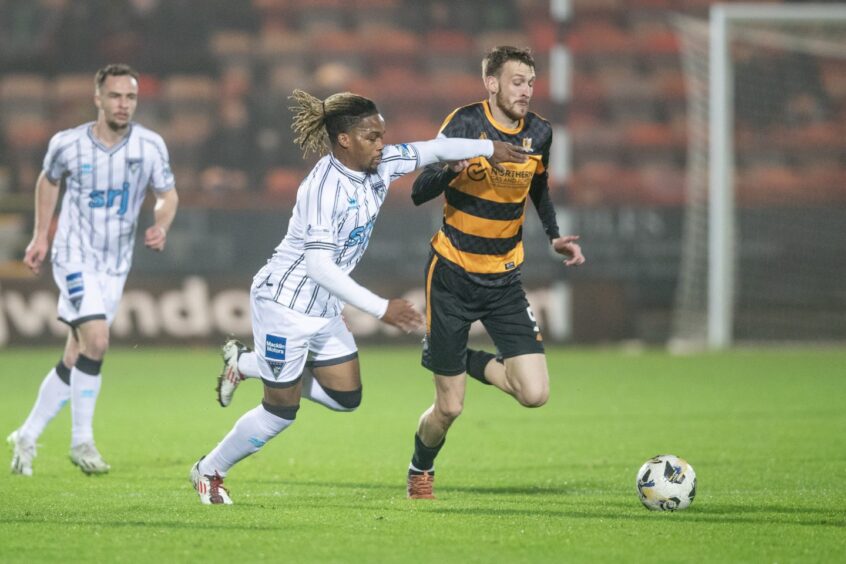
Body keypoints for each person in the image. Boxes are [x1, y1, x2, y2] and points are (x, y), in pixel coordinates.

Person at [190, 89, 527, 505]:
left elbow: (433, 149)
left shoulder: (381, 163)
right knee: (281, 410)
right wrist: (380, 308)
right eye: (371, 136)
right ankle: (209, 471)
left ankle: (244, 364)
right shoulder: (322, 188)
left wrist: (489, 147)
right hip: (285, 306)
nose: (381, 143)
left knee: (345, 397)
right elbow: (319, 267)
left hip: (323, 306)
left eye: (382, 134)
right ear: (344, 139)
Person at [404, 46, 586, 499]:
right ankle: (420, 467)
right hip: (450, 275)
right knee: (449, 408)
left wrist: (553, 235)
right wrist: (451, 168)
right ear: (492, 83)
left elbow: (539, 186)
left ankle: (460, 358)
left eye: (530, 82)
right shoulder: (464, 124)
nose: (525, 90)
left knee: (535, 393)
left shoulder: (540, 132)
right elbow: (417, 191)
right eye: (516, 81)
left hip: (504, 280)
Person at [7, 64, 179, 476]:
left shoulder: (150, 146)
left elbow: (167, 194)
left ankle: (27, 435)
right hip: (74, 254)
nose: (124, 104)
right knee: (97, 340)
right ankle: (81, 441)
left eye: (131, 97)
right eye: (116, 96)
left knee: (76, 353)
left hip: (115, 263)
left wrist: (161, 224)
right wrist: (40, 237)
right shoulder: (67, 144)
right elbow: (48, 182)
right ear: (98, 98)